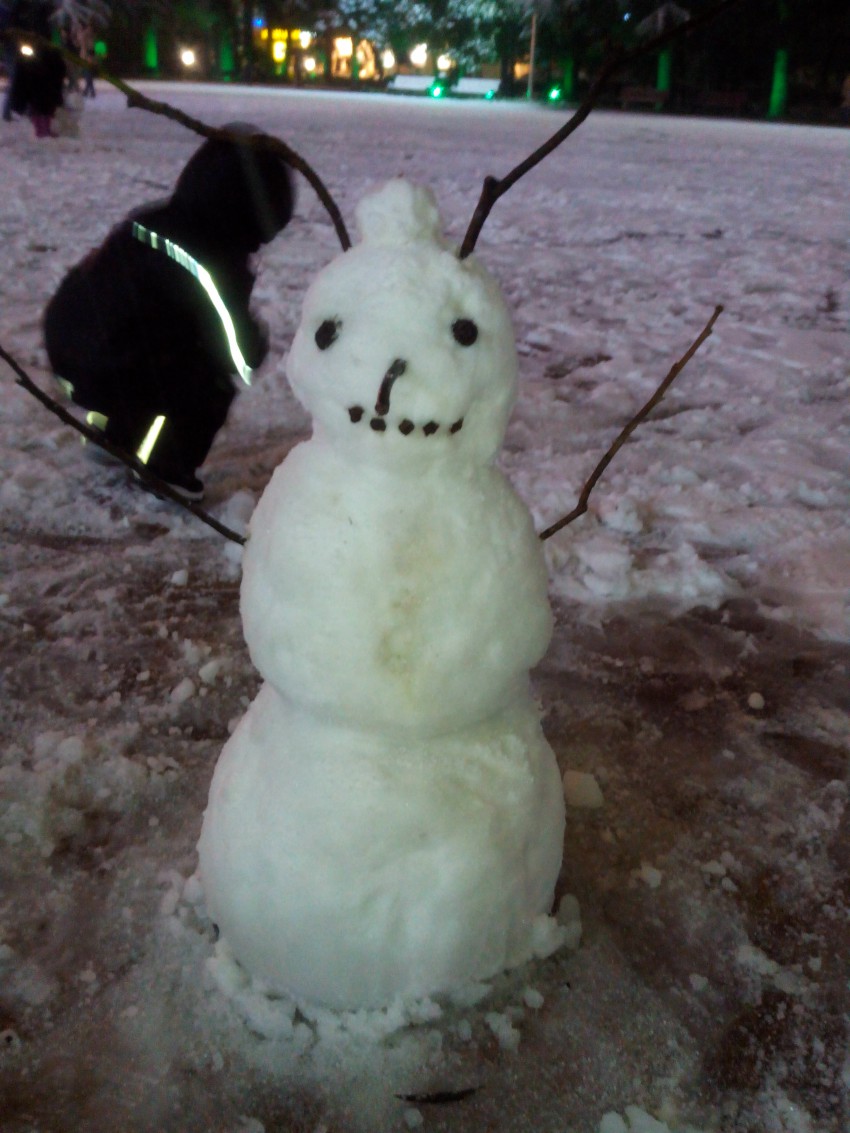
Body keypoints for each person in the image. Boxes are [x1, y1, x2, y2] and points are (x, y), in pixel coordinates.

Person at [44, 125, 295, 500]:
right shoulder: (212, 260)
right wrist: (254, 343)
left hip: (66, 346)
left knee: (158, 343)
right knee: (209, 380)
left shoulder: (153, 219)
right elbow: (236, 353)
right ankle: (166, 469)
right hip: (106, 365)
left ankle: (113, 436)